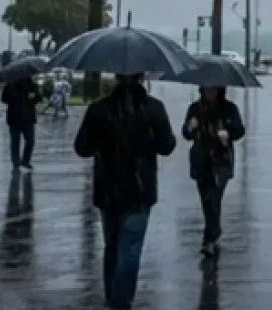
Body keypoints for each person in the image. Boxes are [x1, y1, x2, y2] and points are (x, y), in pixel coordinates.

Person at [74, 74, 177, 309]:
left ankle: (113, 297)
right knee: (130, 248)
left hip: (108, 190)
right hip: (139, 190)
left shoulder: (99, 109)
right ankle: (121, 302)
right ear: (141, 76)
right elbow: (167, 146)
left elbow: (82, 148)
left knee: (112, 245)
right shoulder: (153, 108)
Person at [182, 86, 246, 256]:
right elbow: (186, 134)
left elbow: (240, 130)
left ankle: (208, 239)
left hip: (221, 161)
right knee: (206, 200)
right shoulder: (195, 109)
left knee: (214, 197)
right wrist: (190, 127)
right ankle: (214, 230)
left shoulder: (229, 109)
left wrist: (228, 133)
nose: (209, 92)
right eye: (206, 89)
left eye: (213, 89)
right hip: (200, 161)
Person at [1, 76, 40, 172]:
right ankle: (16, 162)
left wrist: (33, 98)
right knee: (15, 142)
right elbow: (3, 99)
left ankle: (25, 161)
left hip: (28, 118)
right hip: (14, 118)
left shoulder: (31, 85)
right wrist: (11, 96)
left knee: (30, 141)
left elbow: (38, 98)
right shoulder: (10, 85)